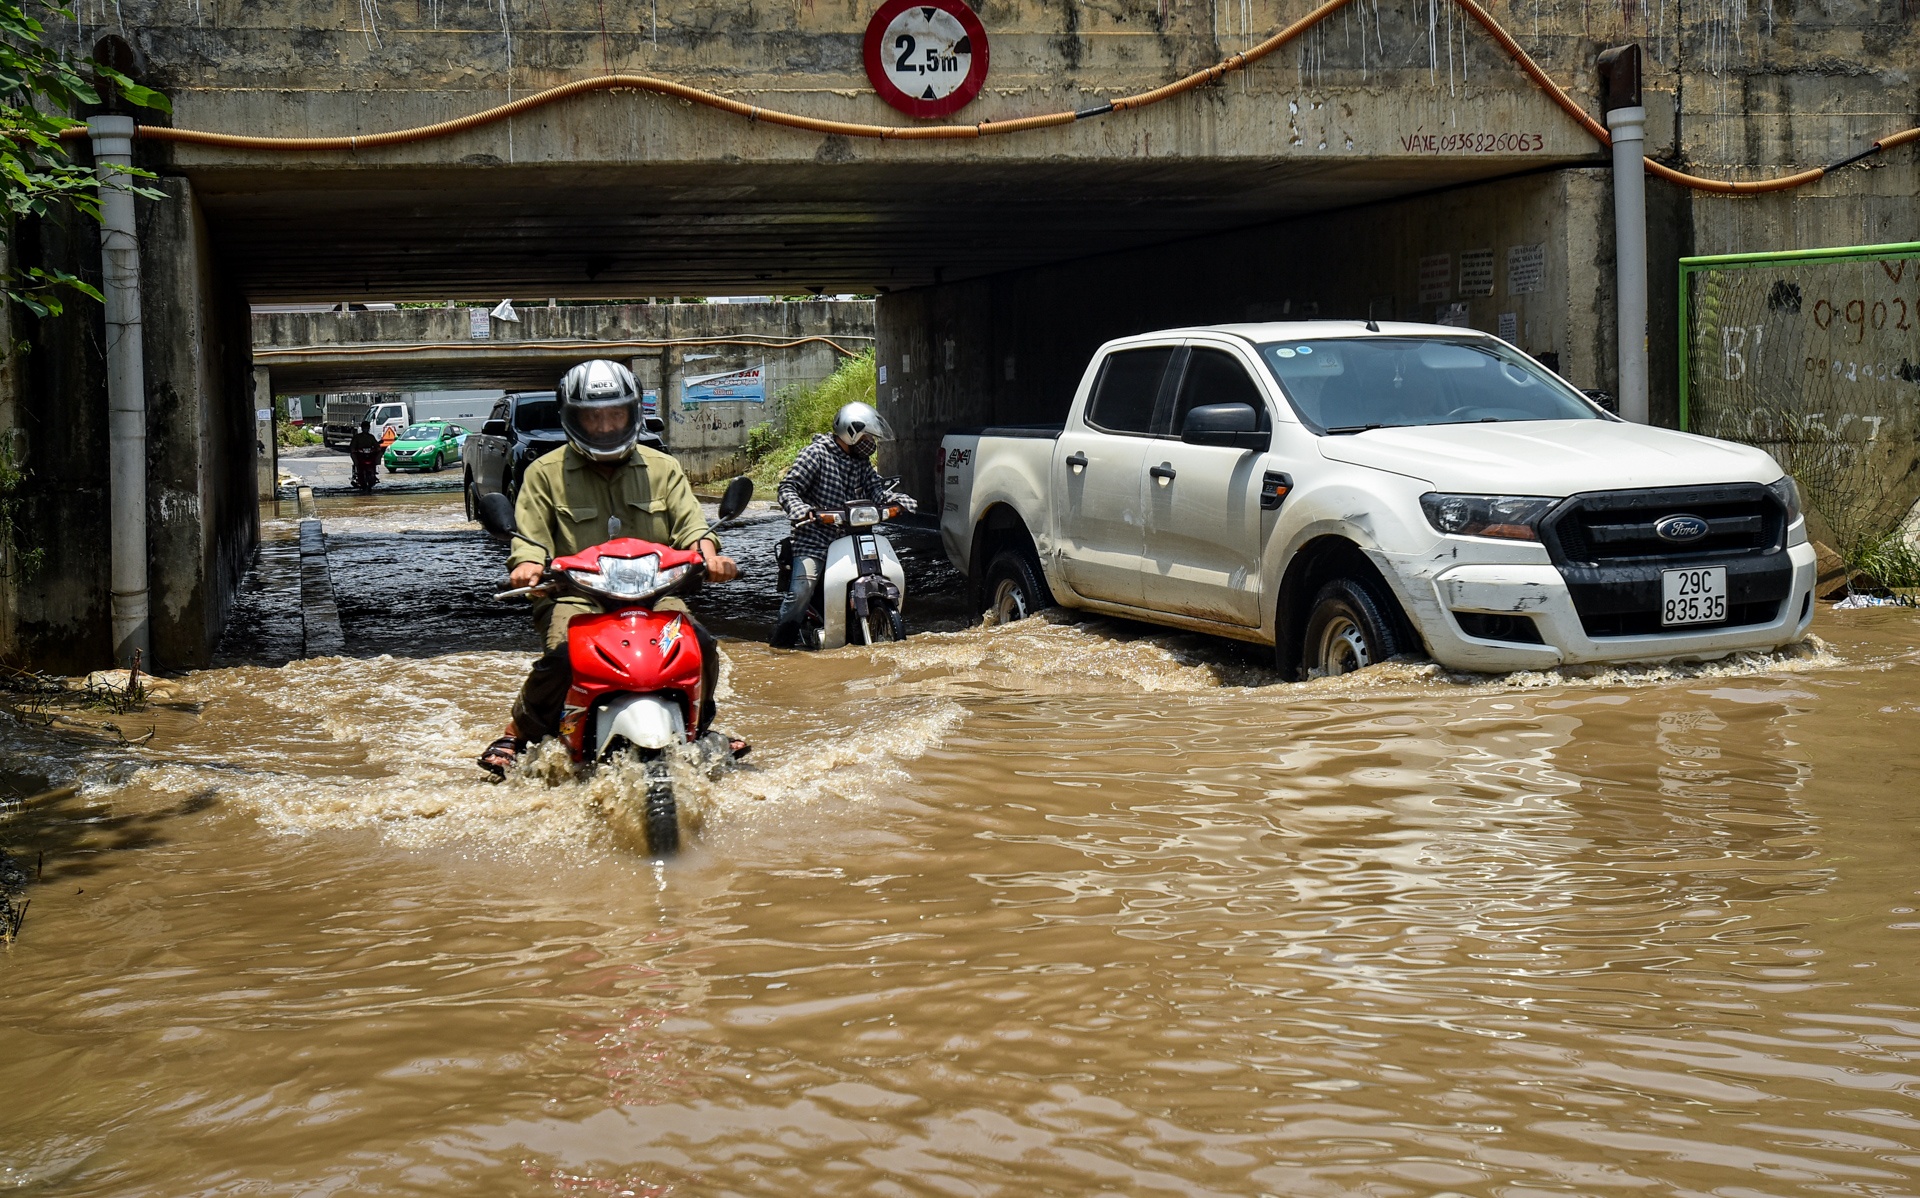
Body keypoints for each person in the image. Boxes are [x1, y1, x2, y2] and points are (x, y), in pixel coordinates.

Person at [478, 359, 739, 777]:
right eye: (593, 417)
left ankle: (701, 723)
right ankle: (519, 731)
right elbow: (529, 538)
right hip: (575, 596)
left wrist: (709, 556)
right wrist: (528, 565)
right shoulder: (543, 473)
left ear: (633, 414)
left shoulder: (663, 468)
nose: (604, 426)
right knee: (563, 656)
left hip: (656, 595)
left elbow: (693, 527)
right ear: (572, 418)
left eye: (615, 414)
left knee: (701, 643)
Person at [771, 400, 916, 648]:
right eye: (867, 437)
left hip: (852, 539)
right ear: (851, 433)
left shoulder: (860, 462)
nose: (870, 443)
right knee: (801, 591)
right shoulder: (816, 454)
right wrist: (802, 510)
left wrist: (897, 501)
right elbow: (788, 488)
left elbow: (876, 491)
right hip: (814, 538)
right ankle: (780, 647)